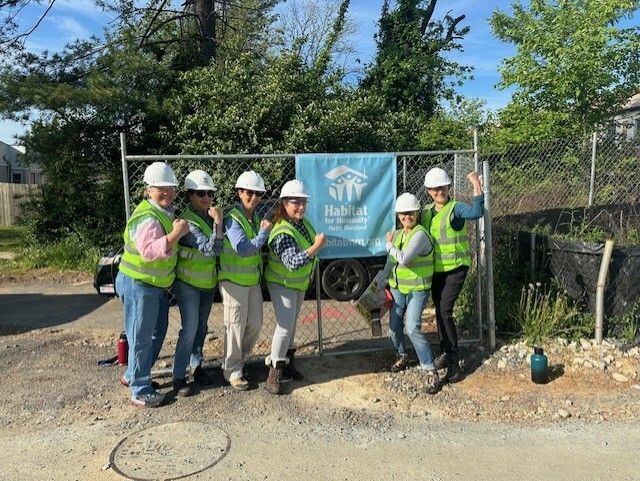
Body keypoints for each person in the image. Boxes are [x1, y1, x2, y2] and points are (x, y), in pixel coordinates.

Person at [115, 161, 189, 407]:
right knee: (141, 336)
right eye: (160, 187)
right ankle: (140, 389)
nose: (166, 192)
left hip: (153, 286)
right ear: (149, 190)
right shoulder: (147, 216)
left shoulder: (162, 212)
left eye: (170, 187)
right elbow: (149, 251)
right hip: (139, 284)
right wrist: (176, 234)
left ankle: (134, 376)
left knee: (156, 331)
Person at [420, 167, 484, 382]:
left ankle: (454, 359)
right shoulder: (427, 211)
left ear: (448, 187)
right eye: (435, 188)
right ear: (428, 190)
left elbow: (476, 213)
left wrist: (476, 185)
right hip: (436, 270)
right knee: (439, 310)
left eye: (443, 187)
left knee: (445, 310)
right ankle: (445, 351)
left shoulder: (455, 209)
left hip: (456, 268)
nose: (440, 191)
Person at [264, 179, 325, 395]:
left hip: (296, 283)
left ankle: (287, 366)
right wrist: (316, 247)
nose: (300, 207)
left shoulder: (302, 224)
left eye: (303, 202)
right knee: (284, 326)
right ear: (284, 204)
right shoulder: (282, 231)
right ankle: (274, 371)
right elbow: (292, 262)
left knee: (290, 325)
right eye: (295, 202)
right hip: (283, 283)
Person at [374, 193, 440, 395]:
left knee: (411, 327)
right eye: (403, 214)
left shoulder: (419, 234)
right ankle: (402, 354)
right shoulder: (398, 234)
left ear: (417, 213)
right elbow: (390, 263)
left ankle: (429, 369)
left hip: (417, 289)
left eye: (410, 213)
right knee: (393, 328)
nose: (406, 217)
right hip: (397, 288)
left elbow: (404, 259)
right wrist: (379, 283)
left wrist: (388, 245)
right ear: (398, 215)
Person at [172, 170, 224, 397]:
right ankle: (178, 377)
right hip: (188, 285)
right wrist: (219, 224)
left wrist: (215, 224)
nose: (206, 197)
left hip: (206, 284)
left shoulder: (207, 218)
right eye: (200, 193)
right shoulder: (187, 221)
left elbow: (217, 248)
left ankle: (196, 367)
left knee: (201, 329)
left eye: (210, 193)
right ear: (190, 196)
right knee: (190, 329)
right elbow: (211, 249)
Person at [218, 170, 272, 390]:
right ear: (240, 193)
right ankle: (232, 370)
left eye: (258, 194)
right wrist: (263, 235)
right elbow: (242, 248)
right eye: (250, 192)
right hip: (232, 281)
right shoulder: (233, 218)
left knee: (255, 324)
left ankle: (240, 359)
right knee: (235, 326)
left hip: (251, 280)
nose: (254, 197)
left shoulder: (256, 217)